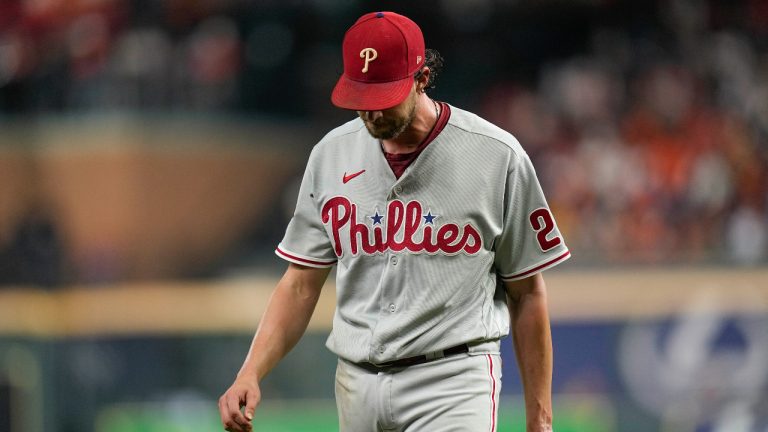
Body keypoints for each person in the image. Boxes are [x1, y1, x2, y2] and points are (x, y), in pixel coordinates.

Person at [218, 11, 570, 432]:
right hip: (356, 382)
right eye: (361, 97)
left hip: (453, 381)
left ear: (422, 77)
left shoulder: (497, 156)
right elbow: (299, 283)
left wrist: (541, 419)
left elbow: (527, 293)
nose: (371, 113)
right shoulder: (331, 155)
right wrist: (250, 371)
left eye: (384, 96)